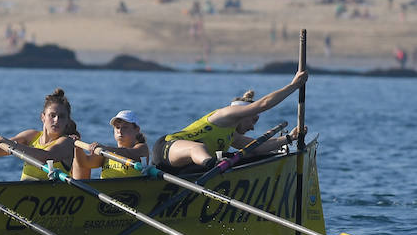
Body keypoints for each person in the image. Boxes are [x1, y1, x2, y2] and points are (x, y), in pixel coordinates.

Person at [152, 70, 307, 171]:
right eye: (253, 120)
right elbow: (264, 104)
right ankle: (212, 164)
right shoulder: (227, 114)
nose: (253, 127)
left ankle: (211, 164)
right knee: (198, 148)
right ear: (243, 113)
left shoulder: (232, 135)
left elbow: (258, 147)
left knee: (247, 155)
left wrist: (289, 138)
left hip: (181, 168)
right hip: (168, 148)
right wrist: (293, 86)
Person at [0, 88, 78, 181]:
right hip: (25, 196)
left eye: (62, 117)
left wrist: (12, 144)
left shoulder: (67, 142)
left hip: (52, 198)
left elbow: (46, 156)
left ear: (67, 121)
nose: (56, 120)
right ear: (43, 117)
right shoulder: (30, 136)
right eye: (52, 115)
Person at [72, 110, 149, 180]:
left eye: (125, 127)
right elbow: (85, 163)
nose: (120, 131)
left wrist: (105, 148)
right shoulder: (106, 153)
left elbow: (130, 152)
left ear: (137, 130)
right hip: (106, 191)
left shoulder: (142, 148)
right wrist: (77, 147)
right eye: (117, 127)